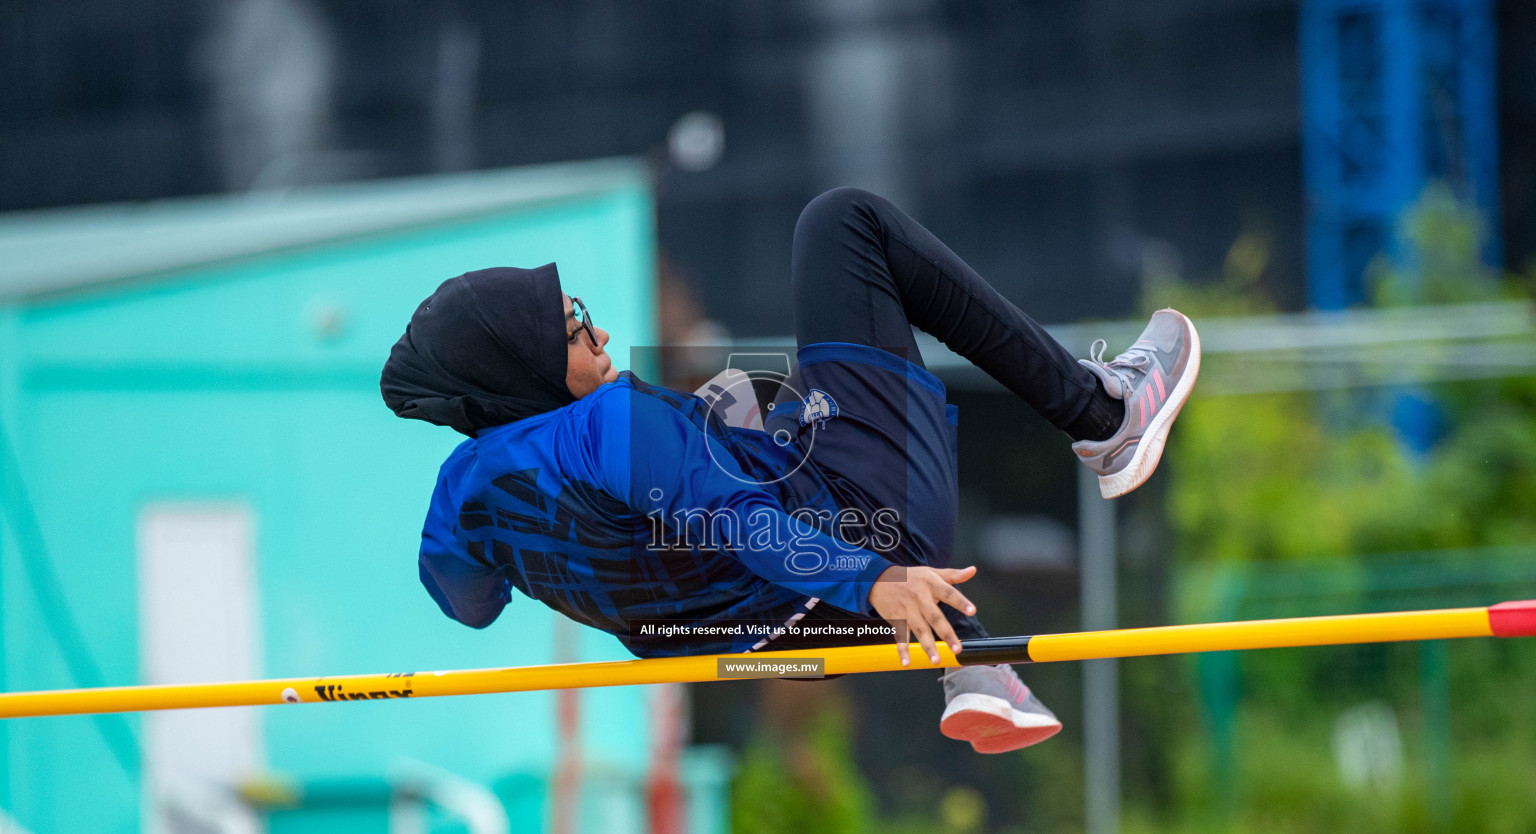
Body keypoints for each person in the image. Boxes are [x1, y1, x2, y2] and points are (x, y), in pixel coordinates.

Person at [380, 188, 1199, 754]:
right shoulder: (606, 423)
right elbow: (729, 512)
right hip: (862, 547)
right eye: (573, 330)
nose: (597, 337)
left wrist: (566, 550)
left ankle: (975, 663)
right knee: (843, 224)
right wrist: (870, 577)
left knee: (743, 397)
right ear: (519, 370)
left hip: (749, 650)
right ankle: (1107, 414)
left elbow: (468, 606)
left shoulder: (460, 499)